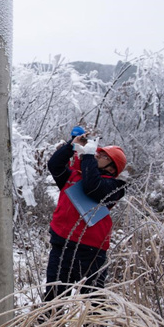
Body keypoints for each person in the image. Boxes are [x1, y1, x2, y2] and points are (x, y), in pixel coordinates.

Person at [44, 128, 127, 303]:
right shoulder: (73, 176)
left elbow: (93, 188)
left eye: (103, 156)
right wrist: (71, 145)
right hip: (62, 246)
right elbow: (54, 165)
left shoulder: (116, 187)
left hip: (90, 253)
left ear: (113, 167)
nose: (97, 155)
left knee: (93, 304)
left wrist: (88, 156)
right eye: (98, 152)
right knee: (53, 299)